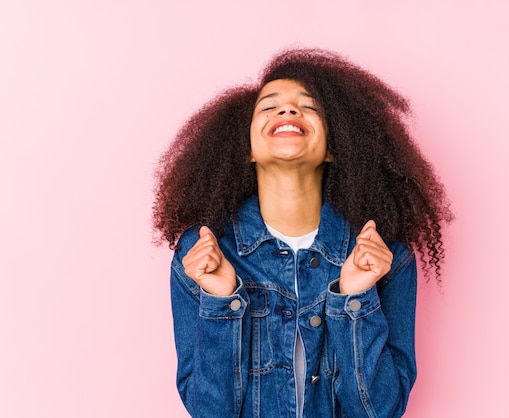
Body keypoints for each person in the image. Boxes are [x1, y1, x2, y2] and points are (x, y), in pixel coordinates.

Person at [153, 48, 452, 418]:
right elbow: (211, 412)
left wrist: (354, 295)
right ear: (246, 148)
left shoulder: (385, 254)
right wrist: (221, 300)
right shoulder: (201, 254)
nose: (288, 111)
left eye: (308, 107)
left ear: (333, 147)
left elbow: (380, 411)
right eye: (269, 107)